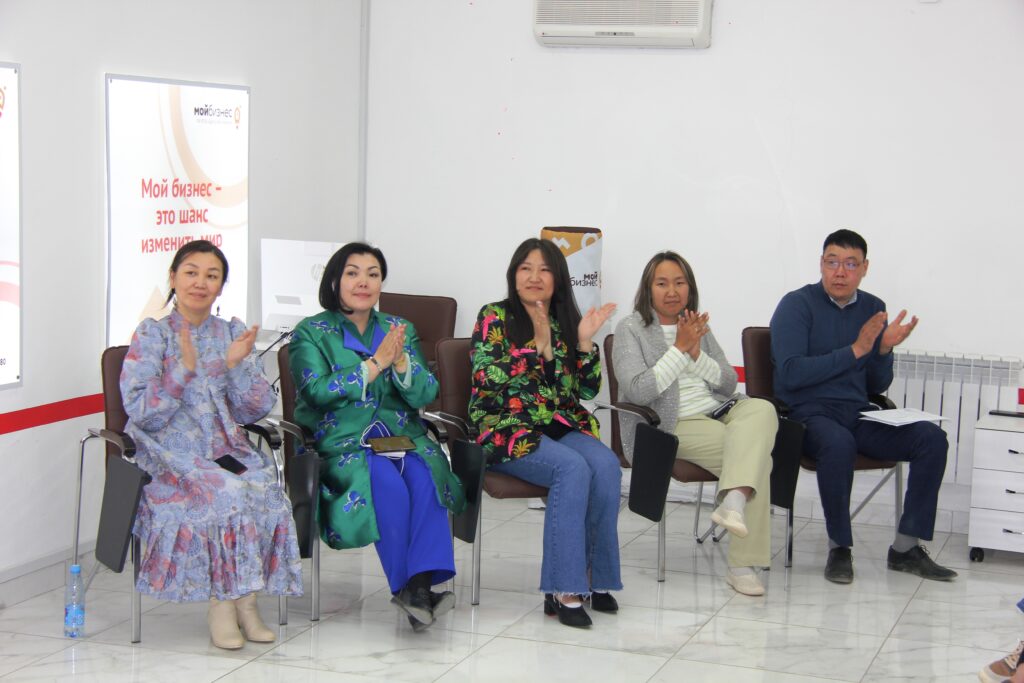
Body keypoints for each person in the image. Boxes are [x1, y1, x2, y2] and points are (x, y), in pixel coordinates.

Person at [120, 239, 302, 650]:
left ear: (221, 286)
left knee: (268, 490)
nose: (200, 282)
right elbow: (143, 412)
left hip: (224, 447)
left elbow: (256, 408)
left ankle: (247, 603)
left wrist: (236, 365)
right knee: (226, 493)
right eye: (191, 273)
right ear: (172, 278)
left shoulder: (230, 332)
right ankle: (222, 605)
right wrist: (180, 373)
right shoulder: (152, 334)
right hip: (167, 454)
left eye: (211, 275)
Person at [289, 242, 466, 631]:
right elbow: (316, 392)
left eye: (373, 274)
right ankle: (413, 590)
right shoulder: (311, 333)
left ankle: (417, 589)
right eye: (353, 273)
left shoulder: (398, 329)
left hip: (401, 437)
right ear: (334, 280)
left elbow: (425, 393)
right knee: (386, 485)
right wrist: (374, 365)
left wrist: (401, 363)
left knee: (426, 479)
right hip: (344, 443)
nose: (363, 282)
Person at [769, 229, 956, 584]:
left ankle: (905, 548)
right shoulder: (796, 305)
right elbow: (790, 374)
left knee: (931, 438)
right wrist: (855, 350)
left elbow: (875, 385)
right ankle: (840, 548)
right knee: (838, 443)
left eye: (850, 264)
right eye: (832, 262)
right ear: (821, 264)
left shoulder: (872, 308)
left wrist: (883, 350)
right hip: (808, 413)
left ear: (865, 268)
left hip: (857, 413)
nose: (840, 272)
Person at [468, 237, 620, 628]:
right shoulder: (495, 316)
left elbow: (586, 390)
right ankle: (563, 587)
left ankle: (595, 578)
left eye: (544, 269)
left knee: (605, 465)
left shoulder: (563, 319)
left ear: (558, 278)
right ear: (514, 274)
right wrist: (534, 348)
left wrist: (584, 343)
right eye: (526, 268)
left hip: (558, 424)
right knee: (571, 468)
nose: (534, 276)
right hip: (506, 427)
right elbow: (486, 378)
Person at [612, 251, 777, 596]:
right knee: (760, 459)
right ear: (648, 289)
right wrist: (680, 349)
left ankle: (733, 501)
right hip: (671, 423)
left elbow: (728, 383)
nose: (672, 291)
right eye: (662, 283)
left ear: (690, 287)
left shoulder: (696, 323)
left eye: (679, 282)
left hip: (720, 410)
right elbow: (638, 390)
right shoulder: (630, 329)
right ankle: (741, 564)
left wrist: (697, 352)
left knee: (763, 409)